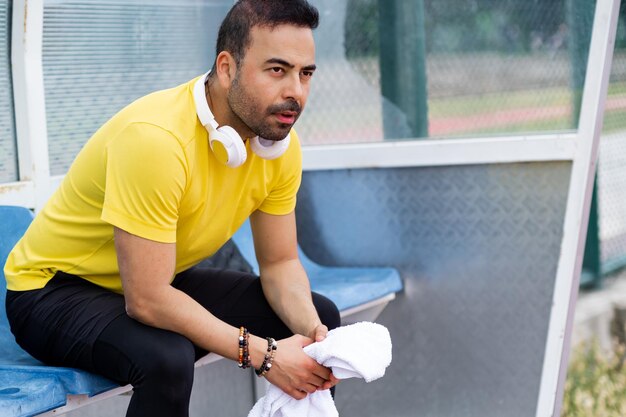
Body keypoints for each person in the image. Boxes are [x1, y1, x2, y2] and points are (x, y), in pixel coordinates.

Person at [3, 1, 341, 416]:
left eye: (305, 74)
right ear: (226, 67)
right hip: (52, 292)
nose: (296, 92)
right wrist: (266, 355)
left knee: (320, 316)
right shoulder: (156, 140)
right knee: (167, 357)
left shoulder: (278, 148)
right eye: (277, 70)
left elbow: (281, 264)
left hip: (152, 280)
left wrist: (313, 334)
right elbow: (146, 300)